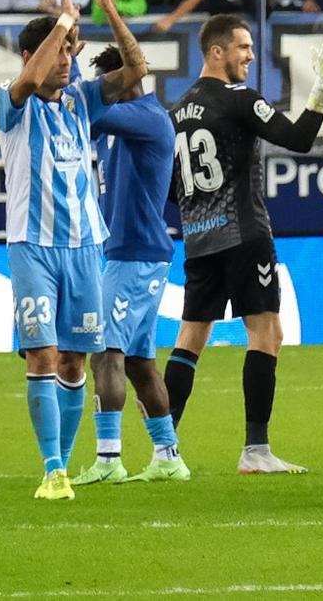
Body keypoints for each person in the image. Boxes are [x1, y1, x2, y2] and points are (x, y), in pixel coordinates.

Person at [164, 15, 323, 474]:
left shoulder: (177, 111)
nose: (250, 55)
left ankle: (162, 448)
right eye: (243, 47)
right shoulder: (238, 99)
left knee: (190, 338)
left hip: (198, 239)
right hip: (244, 236)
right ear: (217, 52)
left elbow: (171, 189)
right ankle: (256, 450)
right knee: (267, 334)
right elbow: (299, 139)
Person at [0, 0, 149, 502]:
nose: (69, 60)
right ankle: (53, 468)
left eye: (73, 51)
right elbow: (31, 80)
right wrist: (62, 19)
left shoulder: (85, 100)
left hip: (85, 245)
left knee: (74, 360)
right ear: (35, 55)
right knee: (41, 355)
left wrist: (107, 5)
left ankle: (61, 464)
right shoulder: (9, 102)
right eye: (61, 50)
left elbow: (138, 69)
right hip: (32, 247)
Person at [73, 47, 188, 487]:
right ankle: (168, 456)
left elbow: (85, 109)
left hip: (135, 254)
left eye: (108, 83)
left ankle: (108, 459)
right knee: (140, 362)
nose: (102, 91)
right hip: (133, 253)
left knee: (105, 353)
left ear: (127, 80)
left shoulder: (148, 116)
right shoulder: (120, 122)